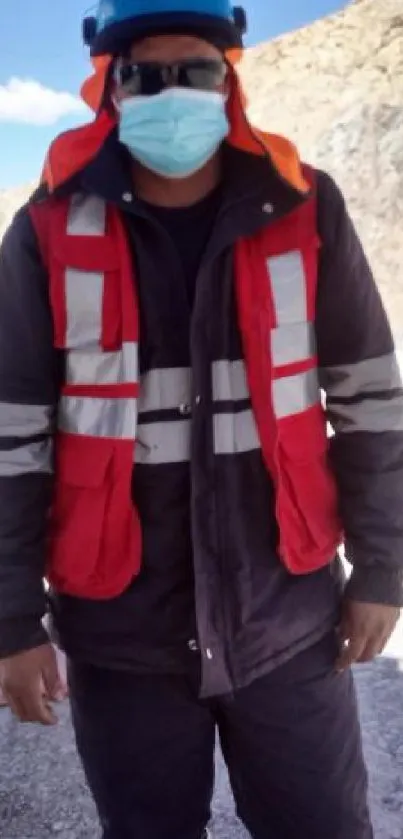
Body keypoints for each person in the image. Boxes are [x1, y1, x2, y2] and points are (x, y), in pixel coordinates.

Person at [0, 1, 402, 837]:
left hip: (287, 624)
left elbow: (369, 401)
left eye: (198, 70)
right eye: (147, 74)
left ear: (231, 84)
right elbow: (10, 438)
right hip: (121, 638)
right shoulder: (45, 229)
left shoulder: (305, 207)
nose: (173, 92)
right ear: (110, 89)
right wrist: (9, 621)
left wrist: (383, 567)